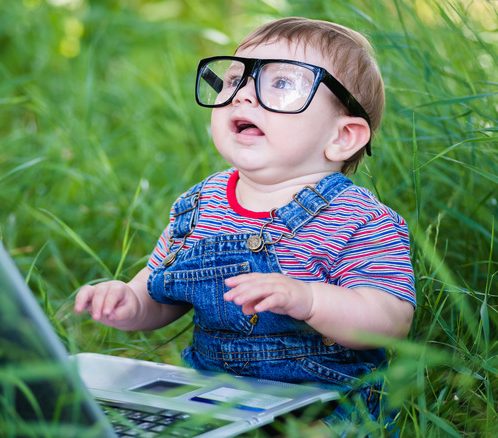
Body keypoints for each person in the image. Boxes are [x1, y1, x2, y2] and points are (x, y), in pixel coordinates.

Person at [74, 17, 415, 435]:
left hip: (328, 401)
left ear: (343, 137)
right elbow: (161, 293)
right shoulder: (199, 206)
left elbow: (389, 319)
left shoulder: (360, 218)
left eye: (282, 83)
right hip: (211, 395)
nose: (243, 95)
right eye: (235, 79)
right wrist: (128, 302)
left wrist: (309, 300)